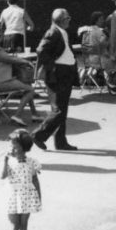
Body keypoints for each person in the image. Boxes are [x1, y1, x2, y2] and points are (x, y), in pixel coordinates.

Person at [31, 8, 79, 151]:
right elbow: (41, 50)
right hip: (59, 74)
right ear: (61, 20)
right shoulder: (53, 32)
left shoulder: (60, 32)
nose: (69, 20)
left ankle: (60, 142)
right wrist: (52, 66)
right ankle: (38, 135)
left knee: (61, 109)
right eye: (67, 18)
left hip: (65, 73)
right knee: (58, 110)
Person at [0, 27, 42, 127]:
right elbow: (11, 59)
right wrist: (26, 61)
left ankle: (35, 114)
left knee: (26, 85)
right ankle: (17, 116)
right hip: (1, 83)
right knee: (30, 89)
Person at [0, 129, 43, 230]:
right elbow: (2, 176)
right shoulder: (7, 160)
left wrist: (39, 198)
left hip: (27, 196)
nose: (11, 149)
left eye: (15, 147)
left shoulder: (32, 162)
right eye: (10, 146)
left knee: (24, 225)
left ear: (24, 148)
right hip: (11, 196)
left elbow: (35, 180)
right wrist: (6, 162)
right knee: (14, 225)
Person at [78, 11, 116, 89]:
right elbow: (104, 44)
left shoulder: (86, 31)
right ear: (96, 20)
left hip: (87, 60)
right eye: (101, 19)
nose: (103, 21)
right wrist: (110, 39)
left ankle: (105, 80)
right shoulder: (101, 31)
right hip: (99, 61)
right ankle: (112, 81)